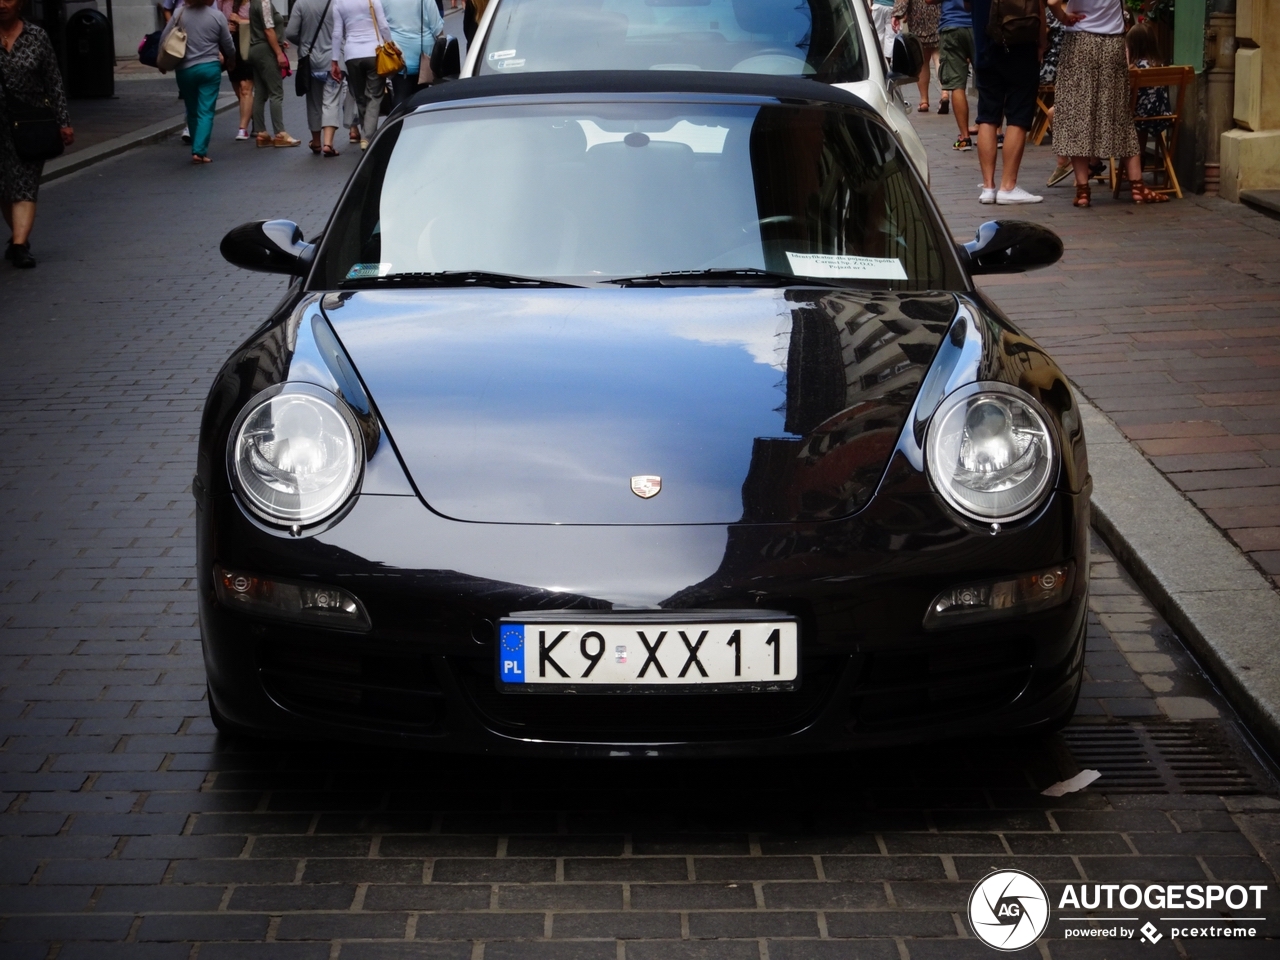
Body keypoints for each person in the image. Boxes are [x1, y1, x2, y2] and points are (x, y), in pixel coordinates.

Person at [1049, 0, 1168, 206]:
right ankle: (1138, 186)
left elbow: (1052, 1)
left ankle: (1083, 191)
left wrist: (1063, 17)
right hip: (1113, 44)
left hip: (1080, 43)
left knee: (1078, 114)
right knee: (1119, 113)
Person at [0, 0, 72, 269]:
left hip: (31, 121)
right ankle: (18, 237)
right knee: (5, 187)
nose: (2, 4)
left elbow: (53, 80)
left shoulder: (36, 36)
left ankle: (20, 245)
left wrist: (64, 122)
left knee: (25, 184)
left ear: (20, 3)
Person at [969, 0, 1042, 204]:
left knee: (987, 117)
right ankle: (1007, 186)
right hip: (1022, 46)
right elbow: (1039, 7)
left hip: (986, 47)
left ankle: (988, 187)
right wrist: (1042, 42)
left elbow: (968, 7)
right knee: (1018, 116)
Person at [160, 0, 235, 163]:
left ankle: (196, 144)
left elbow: (164, 38)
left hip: (185, 70)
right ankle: (199, 150)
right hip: (209, 68)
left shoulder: (178, 14)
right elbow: (228, 44)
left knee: (192, 108)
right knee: (206, 110)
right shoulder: (217, 16)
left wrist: (162, 63)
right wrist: (231, 58)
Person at [285, 0, 347, 156]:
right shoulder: (338, 3)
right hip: (333, 59)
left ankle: (317, 142)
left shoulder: (301, 3)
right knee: (331, 102)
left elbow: (291, 32)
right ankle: (328, 143)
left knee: (313, 102)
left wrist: (304, 42)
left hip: (309, 60)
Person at [331, 0, 392, 150]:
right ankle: (368, 136)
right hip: (374, 52)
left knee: (360, 96)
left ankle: (367, 133)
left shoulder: (338, 3)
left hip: (352, 55)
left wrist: (334, 60)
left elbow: (337, 33)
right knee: (374, 95)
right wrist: (390, 44)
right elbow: (383, 25)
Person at [247, 0, 301, 147]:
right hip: (266, 51)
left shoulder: (255, 2)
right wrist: (278, 52)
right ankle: (280, 133)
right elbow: (268, 29)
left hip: (255, 49)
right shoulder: (264, 3)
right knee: (276, 92)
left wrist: (279, 41)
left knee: (260, 92)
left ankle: (261, 132)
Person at [383, 0, 444, 106]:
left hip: (397, 52)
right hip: (422, 53)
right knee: (421, 94)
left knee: (400, 94)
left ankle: (398, 120)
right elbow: (437, 27)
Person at [931, 0, 973, 149]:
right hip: (979, 26)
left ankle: (965, 137)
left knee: (957, 85)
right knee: (990, 81)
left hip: (952, 26)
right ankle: (997, 133)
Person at [893, 0, 946, 114]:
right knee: (938, 57)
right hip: (939, 14)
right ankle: (944, 93)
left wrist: (897, 14)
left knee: (923, 60)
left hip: (918, 17)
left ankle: (924, 101)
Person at [218, 0, 256, 140]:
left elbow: (262, 26)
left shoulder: (253, 3)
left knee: (245, 88)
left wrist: (240, 21)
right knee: (238, 90)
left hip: (247, 47)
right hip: (230, 47)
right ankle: (256, 119)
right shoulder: (222, 3)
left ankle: (242, 128)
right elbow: (217, 22)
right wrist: (226, 28)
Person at [871, 0, 896, 65]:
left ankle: (878, 59)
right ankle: (888, 61)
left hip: (877, 6)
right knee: (891, 37)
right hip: (891, 7)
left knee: (877, 34)